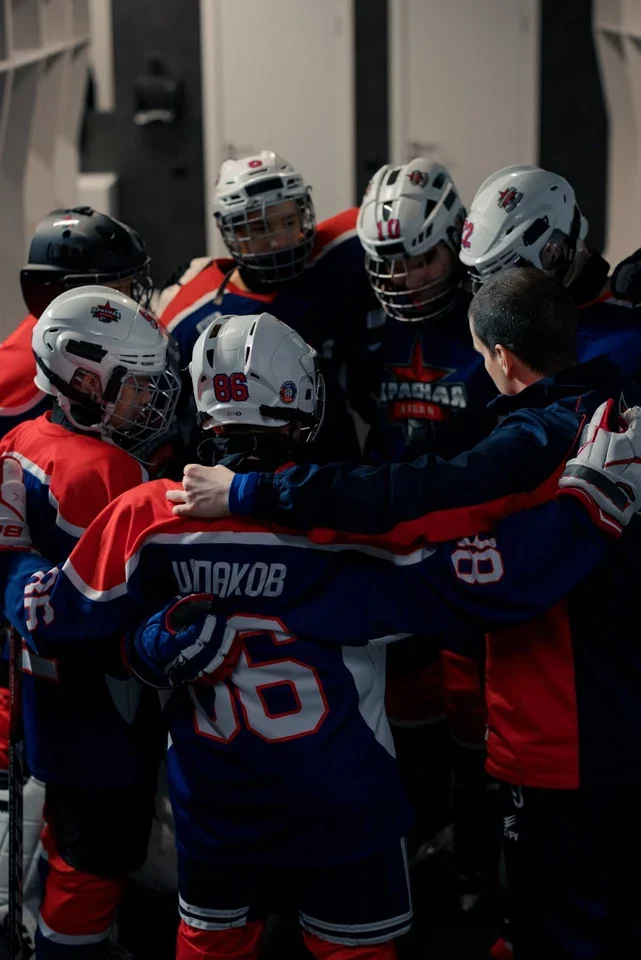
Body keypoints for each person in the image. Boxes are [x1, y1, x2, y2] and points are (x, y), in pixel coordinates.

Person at [0, 312, 637, 960]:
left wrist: (45, 577)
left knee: (211, 949)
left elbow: (52, 617)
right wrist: (585, 513)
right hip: (343, 805)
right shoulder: (350, 531)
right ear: (301, 401)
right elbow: (490, 581)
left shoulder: (149, 518)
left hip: (218, 805)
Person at [167, 269, 641, 959]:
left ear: (500, 357)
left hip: (564, 728)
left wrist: (254, 492)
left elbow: (415, 501)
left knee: (562, 915)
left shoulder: (539, 439)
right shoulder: (614, 411)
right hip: (613, 711)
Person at [0, 285, 180, 959]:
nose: (148, 400)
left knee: (68, 849)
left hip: (50, 704)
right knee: (95, 866)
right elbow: (123, 602)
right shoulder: (105, 472)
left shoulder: (24, 438)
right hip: (103, 707)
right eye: (134, 386)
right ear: (82, 380)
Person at [355, 157, 498, 898]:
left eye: (420, 257)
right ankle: (422, 828)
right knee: (403, 702)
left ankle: (477, 847)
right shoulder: (362, 326)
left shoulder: (489, 319)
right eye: (388, 262)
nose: (405, 276)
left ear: (455, 243)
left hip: (474, 544)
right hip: (391, 546)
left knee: (476, 711)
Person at [158, 150, 371, 462]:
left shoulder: (338, 251)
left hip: (332, 452)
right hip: (244, 466)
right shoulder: (191, 313)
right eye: (259, 228)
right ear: (229, 231)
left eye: (288, 221)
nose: (278, 240)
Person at [459, 164, 641, 383]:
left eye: (506, 276)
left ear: (553, 252)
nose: (496, 297)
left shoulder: (628, 324)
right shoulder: (509, 338)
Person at [0, 206, 153, 439]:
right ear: (62, 294)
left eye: (130, 287)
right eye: (115, 292)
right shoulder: (19, 375)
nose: (128, 302)